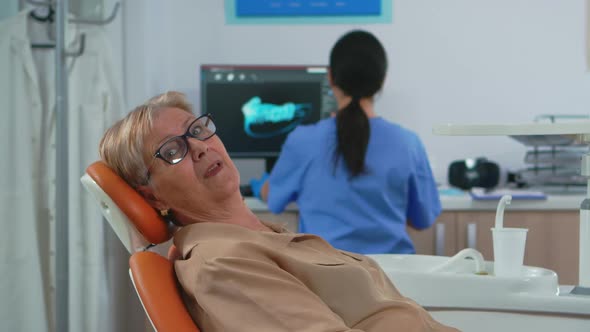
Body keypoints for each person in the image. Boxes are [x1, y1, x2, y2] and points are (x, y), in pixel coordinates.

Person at [99, 91, 458, 331]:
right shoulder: (223, 265)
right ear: (153, 197)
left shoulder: (266, 236)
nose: (199, 147)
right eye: (172, 150)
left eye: (196, 130)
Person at [251, 30, 441, 254]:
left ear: (331, 78)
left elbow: (273, 199)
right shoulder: (409, 143)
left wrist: (259, 183)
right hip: (391, 281)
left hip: (326, 278)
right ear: (382, 81)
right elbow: (423, 218)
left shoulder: (304, 140)